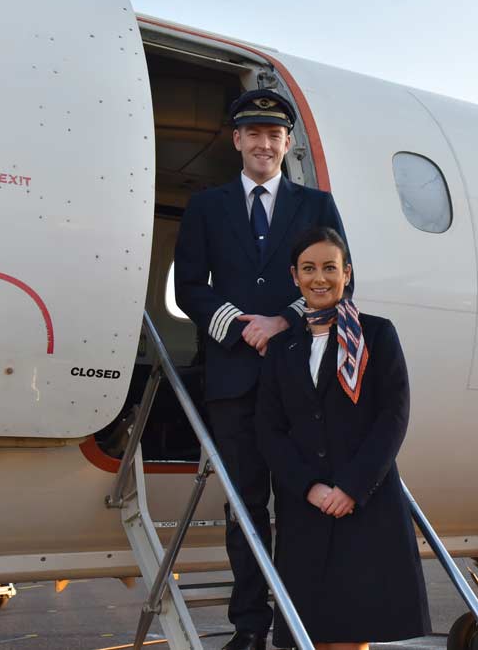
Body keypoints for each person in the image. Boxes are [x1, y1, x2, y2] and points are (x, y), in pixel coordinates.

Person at [174, 89, 348, 650]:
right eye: (253, 133)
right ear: (237, 141)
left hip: (298, 373)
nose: (263, 143)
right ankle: (249, 625)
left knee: (300, 500)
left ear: (287, 143)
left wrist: (283, 322)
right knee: (244, 505)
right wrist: (238, 325)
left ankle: (300, 623)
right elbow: (188, 289)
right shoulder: (206, 206)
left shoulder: (316, 205)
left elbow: (341, 280)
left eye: (274, 135)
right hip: (232, 378)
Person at [255, 227, 430, 650]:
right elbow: (269, 428)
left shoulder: (377, 334)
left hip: (363, 504)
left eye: (330, 268)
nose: (320, 278)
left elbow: (394, 416)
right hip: (306, 507)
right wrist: (309, 487)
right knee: (311, 634)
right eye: (309, 269)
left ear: (346, 274)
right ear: (295, 277)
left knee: (353, 635)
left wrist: (351, 487)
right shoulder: (283, 348)